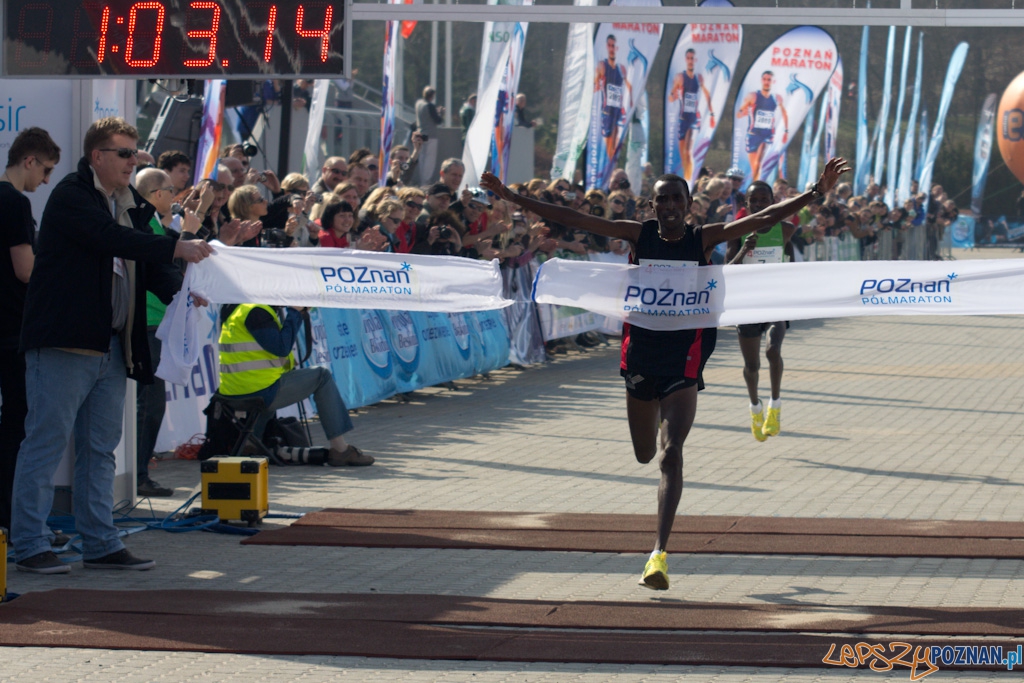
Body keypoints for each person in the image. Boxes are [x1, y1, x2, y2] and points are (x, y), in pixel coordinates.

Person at [481, 157, 850, 591]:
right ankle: (654, 418)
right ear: (653, 206)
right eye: (663, 200)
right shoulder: (639, 234)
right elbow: (573, 217)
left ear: (690, 204)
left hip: (685, 358)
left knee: (669, 454)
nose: (671, 205)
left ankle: (658, 554)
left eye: (678, 198)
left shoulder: (703, 237)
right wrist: (511, 197)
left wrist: (815, 192)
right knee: (643, 453)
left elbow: (766, 216)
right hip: (640, 356)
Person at [11, 116, 213, 574]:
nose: (132, 161)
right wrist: (175, 249)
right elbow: (111, 240)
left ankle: (100, 543)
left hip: (110, 345)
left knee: (99, 449)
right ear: (96, 156)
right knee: (45, 442)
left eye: (135, 153)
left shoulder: (128, 203)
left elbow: (146, 250)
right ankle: (29, 543)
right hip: (64, 343)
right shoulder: (71, 195)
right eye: (124, 153)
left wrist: (181, 290)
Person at [217, 303, 372, 466]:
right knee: (322, 376)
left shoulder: (240, 311)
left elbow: (262, 352)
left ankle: (251, 444)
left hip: (233, 391)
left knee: (274, 386)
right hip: (258, 390)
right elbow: (281, 347)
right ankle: (340, 449)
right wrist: (294, 313)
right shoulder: (257, 311)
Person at [0, 127, 60, 532]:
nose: (46, 181)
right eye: (46, 170)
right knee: (18, 428)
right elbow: (25, 270)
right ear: (29, 161)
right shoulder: (14, 203)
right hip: (11, 332)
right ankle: (13, 520)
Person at [133, 168, 204, 497]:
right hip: (148, 321)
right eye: (170, 189)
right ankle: (137, 476)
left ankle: (138, 474)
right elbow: (171, 267)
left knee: (150, 404)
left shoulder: (152, 223)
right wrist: (187, 234)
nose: (174, 196)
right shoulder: (144, 222)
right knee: (149, 404)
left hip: (155, 320)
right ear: (156, 193)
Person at [725, 181, 798, 442]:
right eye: (753, 200)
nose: (759, 204)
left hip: (775, 301)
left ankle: (774, 406)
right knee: (751, 365)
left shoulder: (786, 230)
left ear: (772, 201)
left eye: (763, 199)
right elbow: (728, 269)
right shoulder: (737, 231)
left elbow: (793, 265)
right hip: (747, 304)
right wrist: (745, 249)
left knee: (772, 350)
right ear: (746, 204)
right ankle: (755, 407)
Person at [669, 49, 715, 181]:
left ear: (695, 61)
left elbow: (707, 95)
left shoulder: (699, 78)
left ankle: (689, 180)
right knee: (684, 155)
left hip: (694, 119)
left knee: (688, 152)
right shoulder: (680, 77)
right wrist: (674, 95)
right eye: (688, 58)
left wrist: (711, 114)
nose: (690, 61)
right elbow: (671, 97)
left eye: (692, 58)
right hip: (683, 118)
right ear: (685, 60)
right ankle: (686, 179)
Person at [737, 71, 789, 181]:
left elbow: (785, 114)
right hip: (753, 134)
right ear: (761, 80)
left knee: (759, 162)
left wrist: (786, 131)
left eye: (769, 80)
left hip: (767, 134)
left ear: (773, 82)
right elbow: (739, 113)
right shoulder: (753, 96)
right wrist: (744, 113)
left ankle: (756, 185)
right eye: (764, 79)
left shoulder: (776, 98)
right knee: (754, 167)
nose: (766, 82)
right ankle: (752, 185)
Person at [595, 34, 631, 171]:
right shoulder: (602, 65)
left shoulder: (621, 68)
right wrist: (597, 85)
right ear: (606, 47)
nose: (611, 48)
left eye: (613, 46)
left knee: (615, 147)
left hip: (617, 109)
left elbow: (629, 88)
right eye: (609, 45)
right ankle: (607, 172)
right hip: (607, 110)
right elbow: (594, 85)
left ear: (617, 48)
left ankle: (611, 171)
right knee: (609, 144)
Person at [415, 86, 444, 185]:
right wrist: (440, 113)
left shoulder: (419, 104)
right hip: (430, 135)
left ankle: (422, 180)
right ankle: (426, 181)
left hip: (421, 132)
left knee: (422, 158)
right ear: (432, 96)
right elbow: (438, 120)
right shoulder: (429, 106)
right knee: (430, 160)